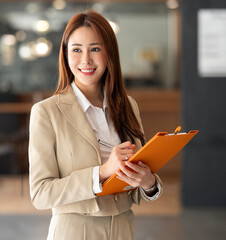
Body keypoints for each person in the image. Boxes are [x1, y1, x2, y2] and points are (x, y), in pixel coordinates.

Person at [28, 11, 163, 239]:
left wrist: (149, 182)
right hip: (75, 231)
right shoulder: (46, 112)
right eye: (77, 50)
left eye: (95, 49)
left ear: (109, 52)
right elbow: (41, 193)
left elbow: (137, 187)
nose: (86, 60)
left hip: (123, 228)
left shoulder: (128, 106)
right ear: (65, 55)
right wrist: (102, 172)